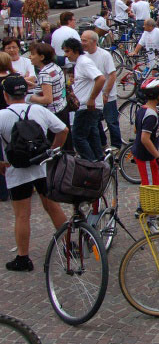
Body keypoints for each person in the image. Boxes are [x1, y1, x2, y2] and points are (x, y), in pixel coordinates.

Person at [1, 75, 69, 271]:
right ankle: (68, 245)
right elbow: (63, 130)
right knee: (53, 207)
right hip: (41, 166)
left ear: (6, 95)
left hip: (17, 170)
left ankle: (23, 258)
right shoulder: (38, 110)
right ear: (25, 93)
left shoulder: (3, 116)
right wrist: (53, 151)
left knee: (22, 215)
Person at [61, 38, 105, 162]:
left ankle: (90, 164)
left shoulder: (84, 62)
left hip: (87, 107)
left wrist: (91, 99)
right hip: (86, 106)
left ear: (76, 50)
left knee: (78, 137)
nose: (66, 55)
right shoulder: (80, 63)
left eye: (68, 51)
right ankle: (100, 163)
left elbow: (100, 79)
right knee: (92, 136)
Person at [82, 31, 122, 151]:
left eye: (85, 40)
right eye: (82, 40)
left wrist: (106, 93)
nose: (82, 43)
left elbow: (112, 75)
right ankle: (102, 143)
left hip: (106, 95)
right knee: (96, 121)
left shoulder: (104, 55)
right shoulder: (83, 56)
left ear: (94, 42)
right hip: (93, 95)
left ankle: (116, 145)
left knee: (111, 121)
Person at [131, 77, 159, 185]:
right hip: (147, 157)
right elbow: (144, 139)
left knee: (150, 186)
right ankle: (145, 203)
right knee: (151, 186)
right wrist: (158, 156)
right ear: (158, 95)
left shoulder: (143, 109)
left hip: (145, 155)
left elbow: (136, 130)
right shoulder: (151, 115)